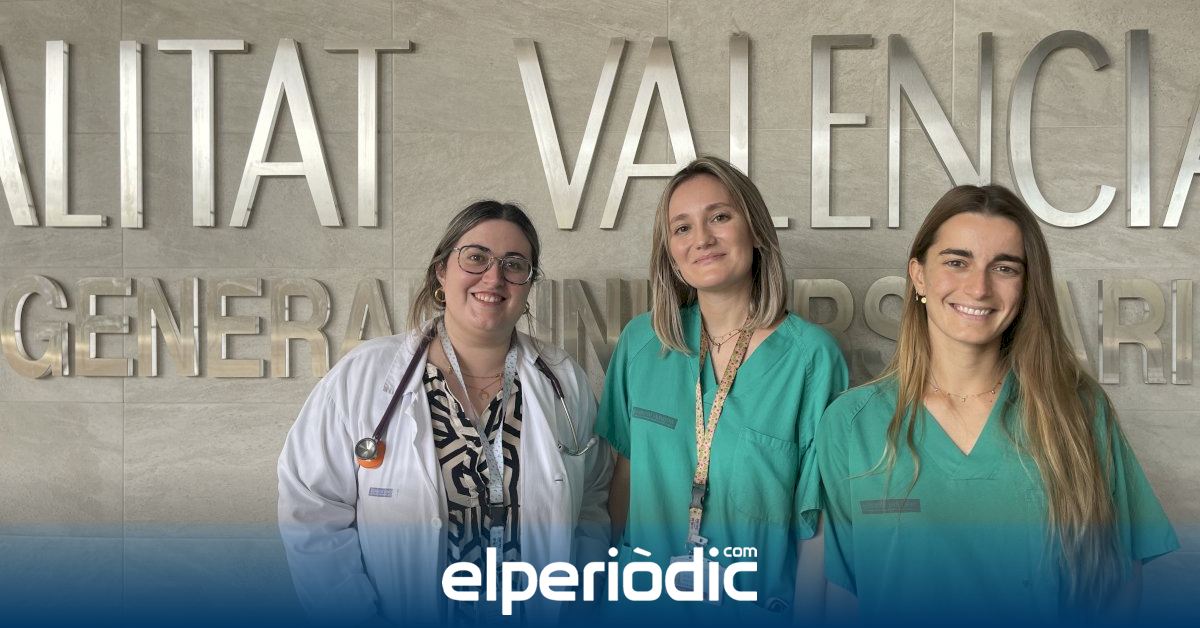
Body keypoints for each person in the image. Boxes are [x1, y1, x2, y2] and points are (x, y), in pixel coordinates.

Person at [816, 185, 1179, 624]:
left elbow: (1121, 584)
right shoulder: (851, 424)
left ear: (1026, 287)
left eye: (1004, 268)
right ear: (919, 276)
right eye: (957, 262)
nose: (979, 287)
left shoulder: (1076, 411)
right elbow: (844, 593)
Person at [278, 200, 612, 625]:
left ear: (528, 285)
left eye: (514, 265)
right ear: (441, 271)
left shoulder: (562, 379)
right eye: (476, 257)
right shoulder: (362, 376)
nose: (494, 277)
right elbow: (312, 509)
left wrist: (577, 602)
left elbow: (593, 498)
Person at [597, 156, 849, 620]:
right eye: (682, 228)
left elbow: (814, 523)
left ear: (755, 230)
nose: (702, 239)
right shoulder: (641, 343)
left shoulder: (811, 358)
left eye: (719, 217)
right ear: (670, 253)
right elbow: (625, 479)